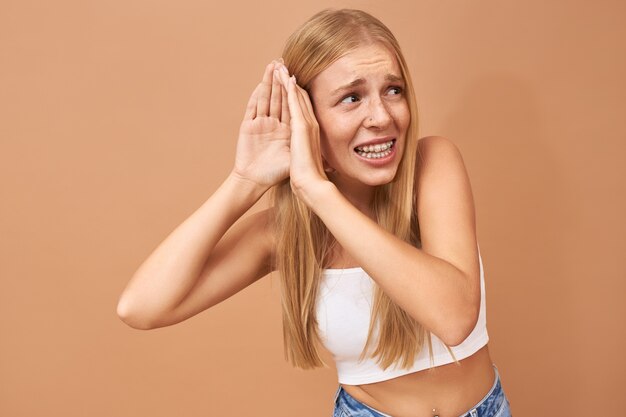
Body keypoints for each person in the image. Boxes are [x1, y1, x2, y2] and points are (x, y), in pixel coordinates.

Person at [117, 8, 512, 417]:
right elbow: (141, 307)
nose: (382, 116)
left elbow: (453, 316)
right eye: (351, 97)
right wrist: (244, 181)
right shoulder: (283, 232)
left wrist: (318, 190)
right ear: (306, 118)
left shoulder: (433, 164)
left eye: (393, 90)